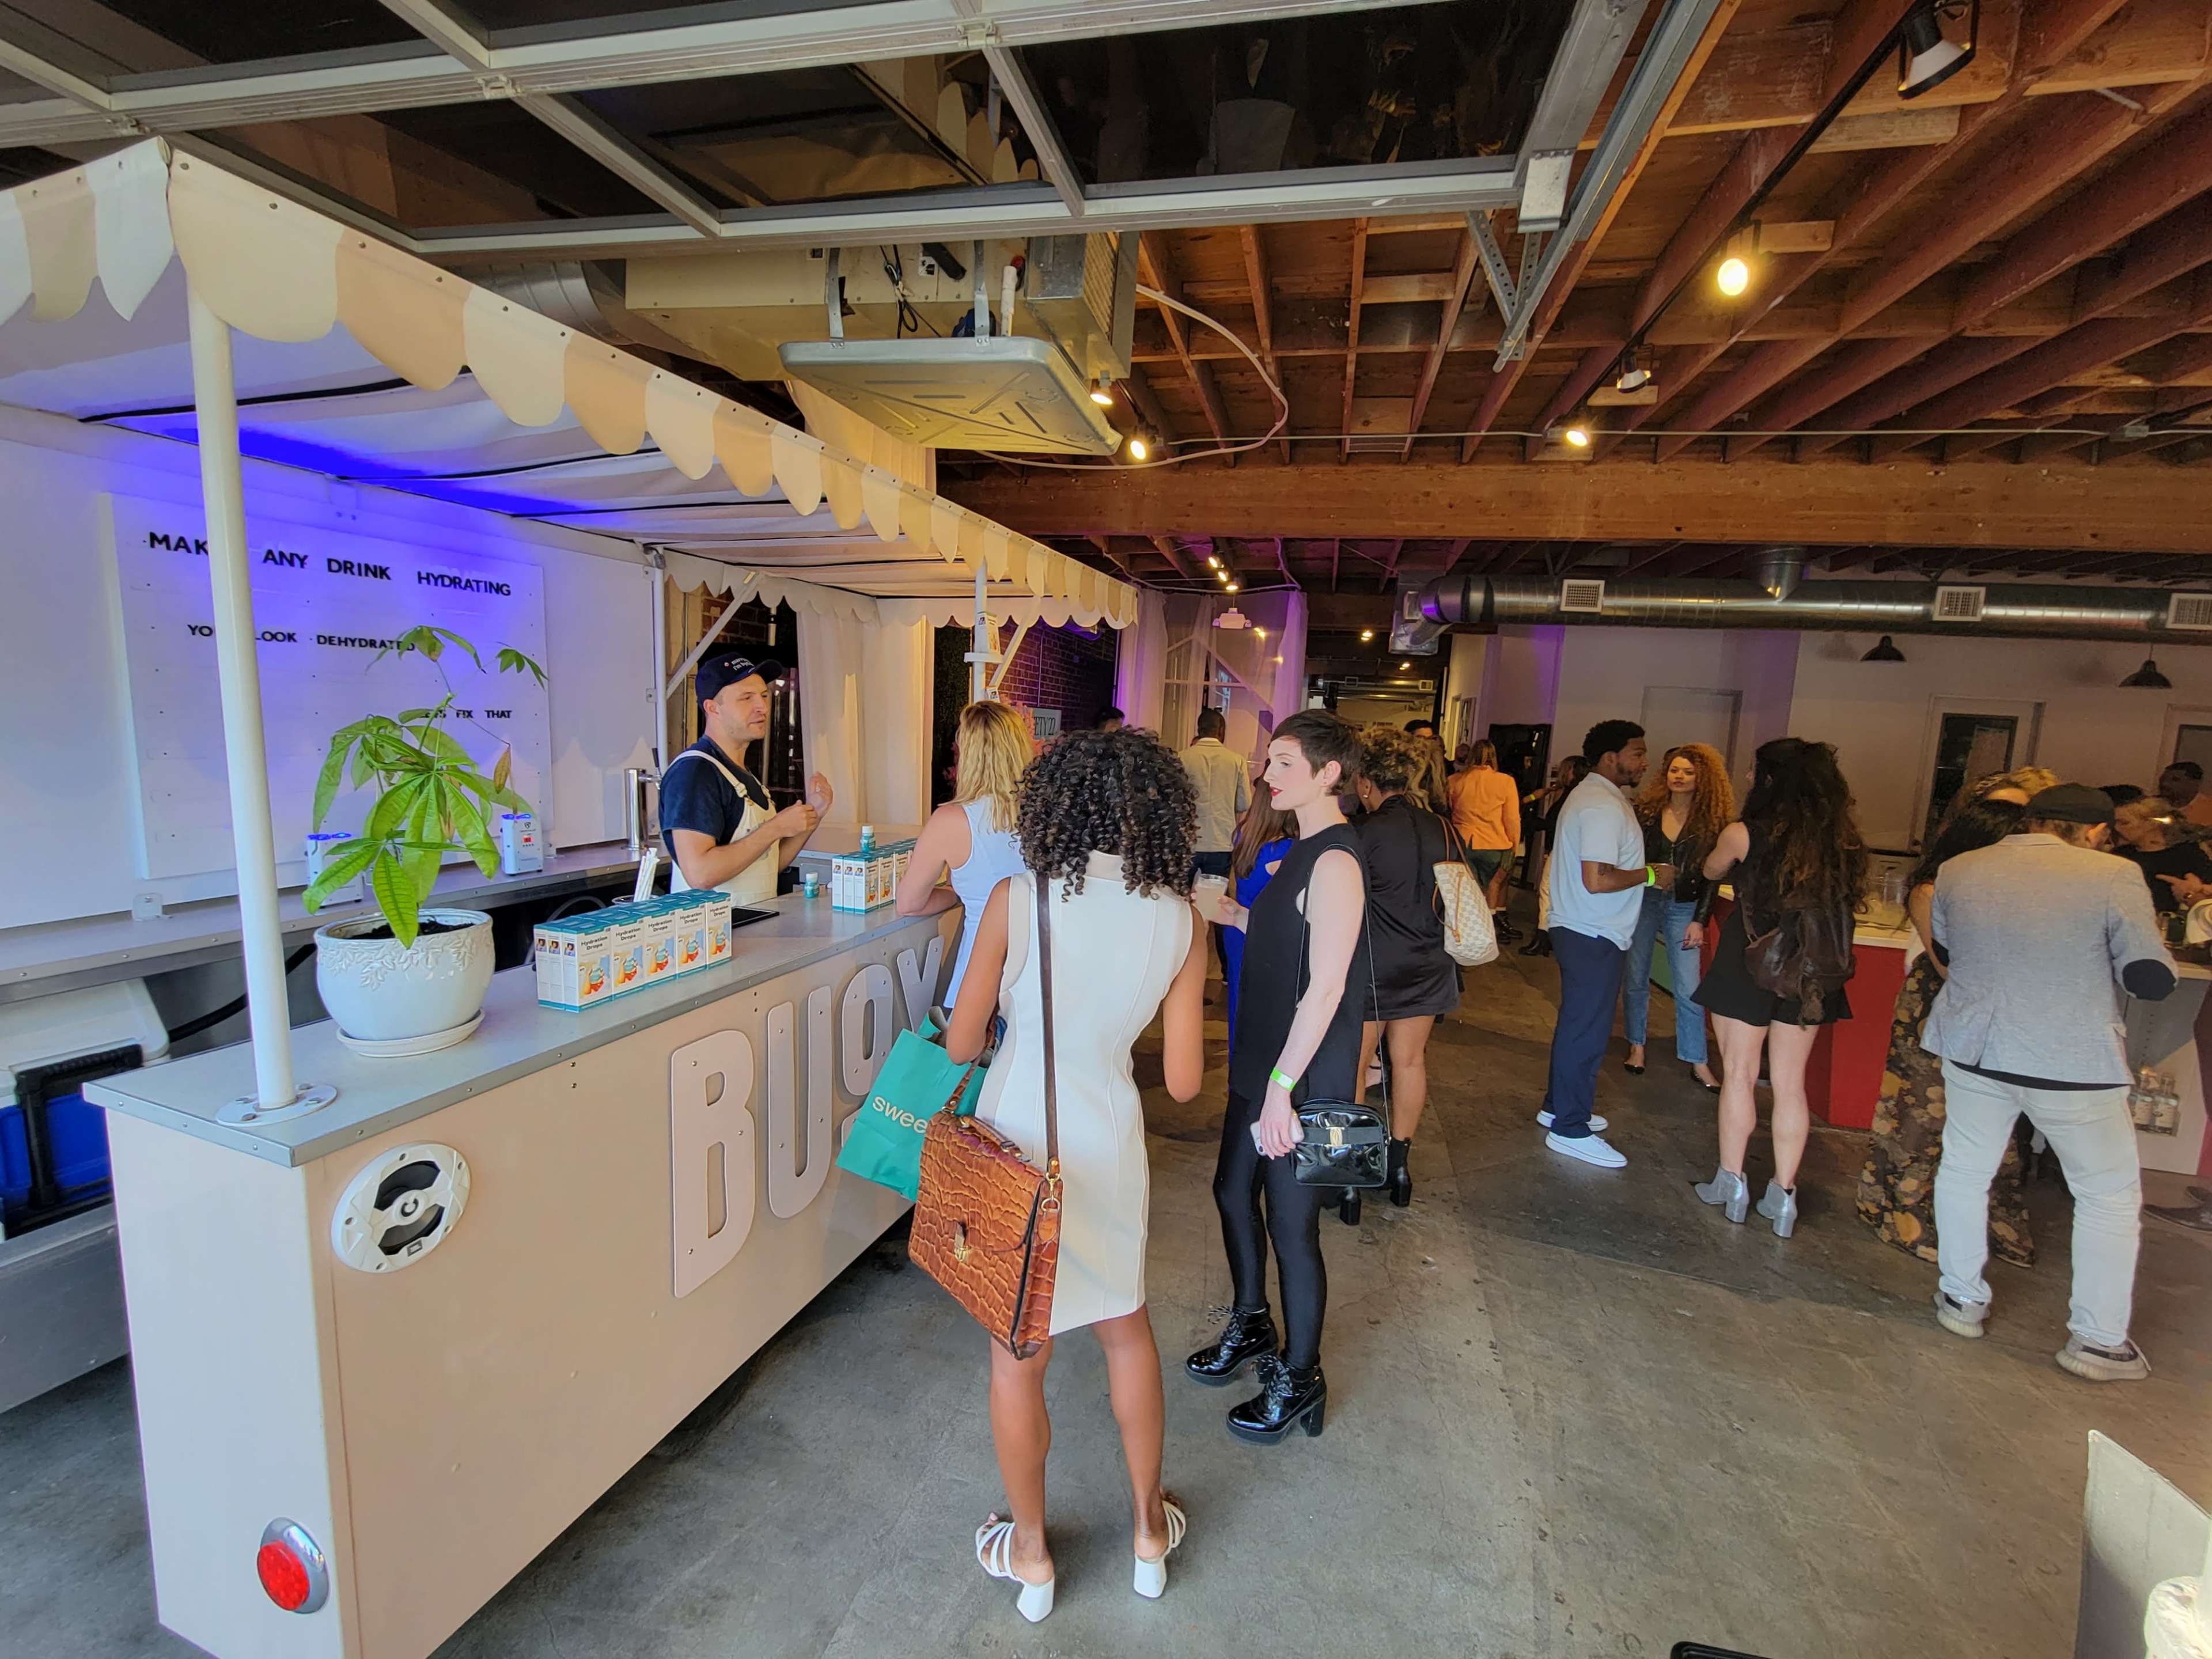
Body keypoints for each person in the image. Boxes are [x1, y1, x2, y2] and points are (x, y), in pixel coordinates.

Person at [945, 728, 1209, 1618]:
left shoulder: (1018, 900)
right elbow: (1180, 1083)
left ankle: (1030, 1555)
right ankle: (1146, 1532)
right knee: (1127, 1332)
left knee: (1019, 1358)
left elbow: (960, 1039)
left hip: (1018, 1137)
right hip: (1110, 1136)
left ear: (1053, 804)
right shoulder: (1181, 920)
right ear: (1159, 814)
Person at [1922, 784, 2172, 1383]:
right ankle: (2098, 1340)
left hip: (1976, 1046)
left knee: (1964, 1168)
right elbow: (2148, 975)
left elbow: (1950, 945)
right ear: (2093, 831)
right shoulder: (2114, 875)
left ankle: (1961, 1298)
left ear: (2033, 821)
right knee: (2107, 1195)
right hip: (2072, 1059)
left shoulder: (1961, 868)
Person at [1188, 710, 1369, 1442]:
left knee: (1294, 1228)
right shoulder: (1295, 848)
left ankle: (1301, 1374)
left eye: (1285, 763)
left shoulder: (1336, 861)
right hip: (1264, 1063)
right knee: (1232, 1192)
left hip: (1301, 1075)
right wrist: (1230, 912)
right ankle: (1253, 1323)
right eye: (1270, 761)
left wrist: (1283, 1089)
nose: (1268, 774)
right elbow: (1279, 936)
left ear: (1330, 774)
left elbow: (1326, 986)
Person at [1692, 738, 1866, 1237]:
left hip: (1749, 959)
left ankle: (1732, 1183)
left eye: (1755, 771)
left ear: (1771, 780)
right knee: (1792, 1084)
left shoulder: (1745, 833)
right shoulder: (1843, 840)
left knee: (1741, 1074)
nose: (1748, 779)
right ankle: (1783, 1196)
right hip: (1811, 969)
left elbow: (1710, 870)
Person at [1857, 795, 2037, 1268]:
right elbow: (1948, 962)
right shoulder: (1932, 890)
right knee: (1922, 1111)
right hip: (1937, 1006)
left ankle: (1991, 1217)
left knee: (2000, 1115)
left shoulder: (2015, 891)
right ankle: (1900, 1209)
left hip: (1999, 1009)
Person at [1536, 721, 1654, 1169]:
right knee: (1586, 1030)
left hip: (1588, 929)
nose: (1645, 762)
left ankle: (1558, 1107)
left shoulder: (1594, 797)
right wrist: (1649, 874)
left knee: (1580, 1025)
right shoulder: (1602, 806)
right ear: (1611, 757)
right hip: (1593, 930)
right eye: (1638, 753)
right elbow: (1598, 877)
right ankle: (1570, 1126)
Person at [1353, 728, 1459, 1208]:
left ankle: (1354, 1173)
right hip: (1431, 960)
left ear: (1366, 782)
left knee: (1355, 1065)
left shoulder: (1365, 833)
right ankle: (1399, 1168)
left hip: (1374, 963)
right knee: (1410, 1062)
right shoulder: (1443, 827)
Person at [660, 653, 829, 904]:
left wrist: (814, 814)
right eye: (746, 698)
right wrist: (776, 827)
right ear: (712, 708)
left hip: (751, 928)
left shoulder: (742, 775)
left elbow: (769, 865)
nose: (762, 707)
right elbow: (700, 874)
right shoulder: (695, 773)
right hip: (712, 937)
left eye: (763, 695)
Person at [896, 699, 1031, 1010]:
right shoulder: (1048, 813)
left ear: (968, 753)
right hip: (1040, 973)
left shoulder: (952, 820)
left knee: (970, 1054)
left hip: (981, 974)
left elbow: (909, 903)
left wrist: (962, 893)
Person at [1622, 743, 1732, 1089]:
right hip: (1645, 899)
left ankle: (1697, 1059)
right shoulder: (1647, 812)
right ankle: (1636, 1045)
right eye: (1674, 770)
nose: (1679, 777)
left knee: (1688, 986)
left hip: (1686, 905)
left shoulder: (1712, 822)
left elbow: (1713, 877)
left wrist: (1701, 918)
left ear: (1703, 779)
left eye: (1687, 772)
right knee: (1636, 975)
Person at [1222, 794, 1297, 1046]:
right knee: (1264, 1008)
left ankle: (1238, 1067)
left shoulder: (1244, 834)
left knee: (1238, 1002)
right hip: (1264, 933)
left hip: (1236, 928)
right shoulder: (1285, 850)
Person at [1448, 739, 1523, 945]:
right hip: (1495, 843)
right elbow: (1511, 818)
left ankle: (1465, 933)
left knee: (1467, 891)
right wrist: (1514, 845)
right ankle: (1489, 932)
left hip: (1463, 842)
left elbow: (1449, 811)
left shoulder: (1455, 781)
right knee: (1493, 887)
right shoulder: (1506, 782)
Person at [1518, 755, 1590, 957]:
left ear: (1572, 772)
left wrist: (1532, 823)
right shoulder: (1580, 794)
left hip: (1562, 850)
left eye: (1564, 770)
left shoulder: (1571, 795)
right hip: (1568, 850)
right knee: (1556, 894)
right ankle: (1548, 937)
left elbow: (1555, 823)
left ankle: (1542, 938)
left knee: (1547, 891)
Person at [1181, 707, 1250, 883]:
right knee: (1216, 899)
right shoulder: (1236, 760)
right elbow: (1244, 804)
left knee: (1180, 896)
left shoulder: (1182, 758)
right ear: (1221, 730)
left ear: (1199, 729)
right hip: (1222, 839)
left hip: (1188, 839)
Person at [2112, 796, 2212, 915]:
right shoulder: (2119, 856)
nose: (2116, 829)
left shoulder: (2188, 854)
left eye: (2124, 823)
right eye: (2115, 823)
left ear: (2151, 824)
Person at [2158, 760, 2212, 828]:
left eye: (2175, 780)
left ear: (2195, 783)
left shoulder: (2209, 809)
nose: (2165, 784)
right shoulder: (2150, 807)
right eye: (2163, 779)